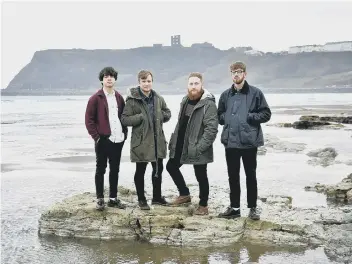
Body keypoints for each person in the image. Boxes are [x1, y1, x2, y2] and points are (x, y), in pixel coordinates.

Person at [217, 61, 271, 220]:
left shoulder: (256, 93)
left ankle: (253, 208)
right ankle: (235, 208)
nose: (236, 74)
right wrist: (226, 118)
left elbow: (266, 114)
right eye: (233, 72)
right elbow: (219, 116)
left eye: (239, 71)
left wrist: (249, 117)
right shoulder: (225, 95)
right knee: (233, 176)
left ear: (245, 74)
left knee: (250, 175)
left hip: (249, 142)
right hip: (231, 142)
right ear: (231, 74)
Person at [166, 72, 218, 215]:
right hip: (182, 144)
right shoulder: (185, 100)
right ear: (187, 85)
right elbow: (180, 123)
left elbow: (211, 130)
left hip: (198, 145)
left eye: (196, 83)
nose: (193, 86)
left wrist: (199, 147)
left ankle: (203, 205)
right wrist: (173, 141)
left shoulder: (209, 104)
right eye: (191, 84)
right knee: (171, 166)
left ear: (201, 85)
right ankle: (184, 194)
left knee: (200, 175)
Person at [121, 70, 171, 210]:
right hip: (141, 142)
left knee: (158, 170)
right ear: (139, 82)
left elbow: (167, 112)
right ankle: (142, 200)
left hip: (157, 141)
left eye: (149, 81)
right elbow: (124, 119)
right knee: (140, 171)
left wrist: (161, 116)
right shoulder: (132, 100)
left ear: (152, 82)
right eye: (144, 81)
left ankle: (156, 198)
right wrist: (140, 118)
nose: (147, 84)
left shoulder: (158, 98)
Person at [85, 66, 128, 211]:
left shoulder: (119, 97)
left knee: (115, 169)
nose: (109, 78)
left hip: (118, 139)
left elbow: (124, 117)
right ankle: (100, 199)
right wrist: (97, 137)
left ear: (115, 79)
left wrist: (125, 134)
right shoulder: (95, 98)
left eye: (111, 76)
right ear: (102, 80)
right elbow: (89, 120)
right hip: (103, 140)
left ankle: (113, 199)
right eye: (106, 76)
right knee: (100, 169)